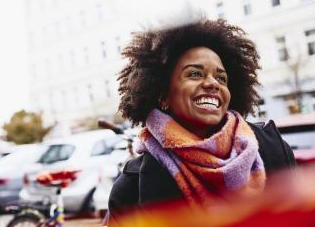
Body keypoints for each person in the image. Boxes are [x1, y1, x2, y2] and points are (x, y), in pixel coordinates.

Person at [107, 19, 296, 225]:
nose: (212, 83)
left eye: (221, 78)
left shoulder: (273, 150)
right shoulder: (131, 188)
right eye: (195, 74)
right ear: (163, 95)